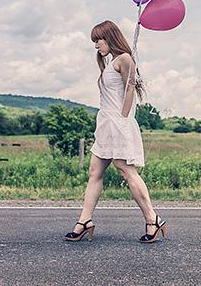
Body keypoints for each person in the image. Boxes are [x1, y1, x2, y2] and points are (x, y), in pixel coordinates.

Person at [65, 20, 167, 243]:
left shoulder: (124, 59)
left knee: (126, 170)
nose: (96, 46)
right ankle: (84, 221)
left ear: (109, 37)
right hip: (105, 125)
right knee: (94, 172)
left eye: (98, 40)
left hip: (118, 124)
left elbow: (129, 89)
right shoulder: (110, 62)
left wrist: (123, 118)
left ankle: (153, 219)